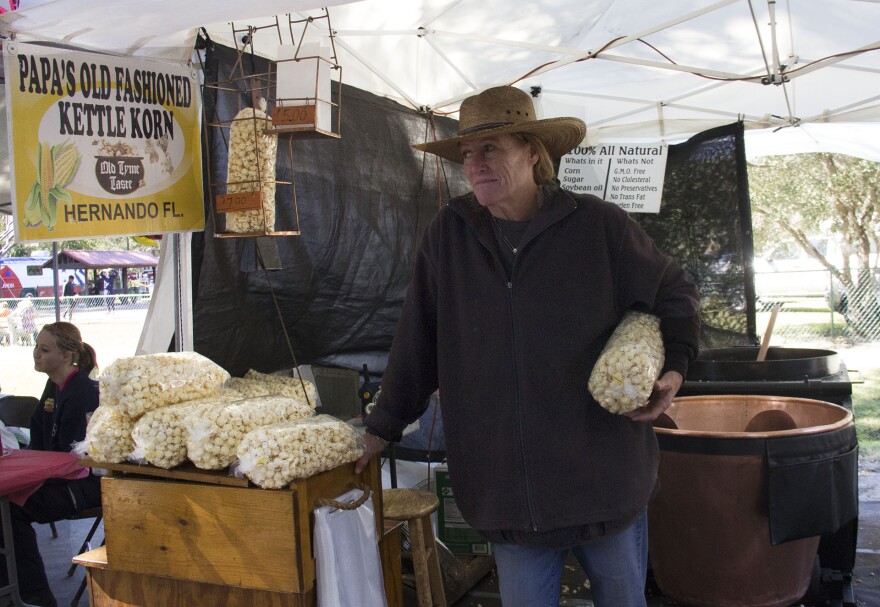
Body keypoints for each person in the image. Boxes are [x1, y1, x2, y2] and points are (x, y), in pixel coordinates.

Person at [355, 86, 701, 607]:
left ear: (533, 152)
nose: (475, 165)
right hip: (506, 492)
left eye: (490, 148)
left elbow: (674, 294)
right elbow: (416, 344)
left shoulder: (598, 227)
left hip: (600, 479)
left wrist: (673, 368)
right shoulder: (449, 236)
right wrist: (380, 429)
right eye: (467, 154)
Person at [0, 322, 100, 607]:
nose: (36, 354)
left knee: (10, 508)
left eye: (44, 349)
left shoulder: (83, 392)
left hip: (84, 483)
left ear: (67, 356)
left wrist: (29, 477)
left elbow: (73, 460)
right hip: (56, 477)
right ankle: (11, 586)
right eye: (36, 347)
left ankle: (35, 595)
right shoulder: (54, 386)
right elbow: (40, 441)